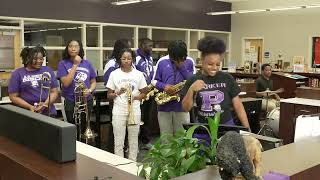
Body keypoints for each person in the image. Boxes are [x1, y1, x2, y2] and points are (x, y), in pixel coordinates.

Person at [180, 36, 250, 129]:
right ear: (202, 60)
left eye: (218, 64)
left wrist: (247, 129)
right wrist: (191, 90)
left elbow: (238, 106)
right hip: (203, 128)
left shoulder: (227, 78)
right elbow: (185, 108)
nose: (214, 68)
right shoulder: (193, 80)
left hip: (226, 127)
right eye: (210, 64)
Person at [106, 48, 147, 161]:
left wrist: (135, 97)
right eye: (124, 58)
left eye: (129, 58)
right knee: (118, 141)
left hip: (134, 110)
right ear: (120, 59)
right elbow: (108, 95)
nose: (126, 61)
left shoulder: (138, 74)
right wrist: (117, 92)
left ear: (133, 60)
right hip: (119, 111)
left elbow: (145, 93)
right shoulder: (114, 74)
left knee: (133, 141)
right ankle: (120, 164)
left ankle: (132, 164)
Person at [152, 40, 195, 136]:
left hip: (182, 106)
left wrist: (181, 67)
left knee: (182, 137)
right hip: (164, 106)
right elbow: (154, 81)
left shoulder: (189, 61)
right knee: (165, 137)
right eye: (176, 59)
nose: (179, 60)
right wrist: (164, 86)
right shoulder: (162, 61)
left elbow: (193, 81)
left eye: (181, 58)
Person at [57, 40, 97, 139]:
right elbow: (66, 83)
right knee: (71, 128)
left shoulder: (87, 63)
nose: (73, 48)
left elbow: (93, 82)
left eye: (76, 46)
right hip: (70, 100)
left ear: (80, 49)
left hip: (86, 100)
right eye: (70, 46)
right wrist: (75, 65)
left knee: (84, 128)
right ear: (67, 48)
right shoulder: (63, 64)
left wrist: (90, 90)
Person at [8, 45, 59, 117]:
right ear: (27, 59)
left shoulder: (48, 71)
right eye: (35, 59)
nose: (39, 61)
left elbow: (54, 91)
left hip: (48, 113)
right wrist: (30, 107)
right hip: (26, 114)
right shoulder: (17, 73)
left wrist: (45, 104)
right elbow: (13, 97)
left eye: (41, 59)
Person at [135, 38, 154, 149]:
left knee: (147, 117)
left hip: (150, 91)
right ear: (141, 45)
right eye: (149, 45)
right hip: (139, 92)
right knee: (138, 117)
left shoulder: (150, 57)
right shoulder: (136, 58)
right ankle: (135, 142)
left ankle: (145, 141)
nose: (151, 48)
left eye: (152, 45)